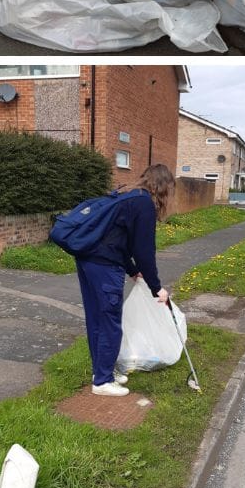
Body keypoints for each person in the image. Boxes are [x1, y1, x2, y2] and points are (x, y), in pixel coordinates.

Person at [75, 164, 174, 396]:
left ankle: (102, 371)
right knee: (109, 322)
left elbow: (121, 240)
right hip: (104, 266)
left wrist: (131, 271)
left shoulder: (130, 196)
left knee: (97, 320)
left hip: (88, 260)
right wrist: (156, 288)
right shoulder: (145, 205)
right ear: (163, 187)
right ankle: (101, 382)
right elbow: (143, 251)